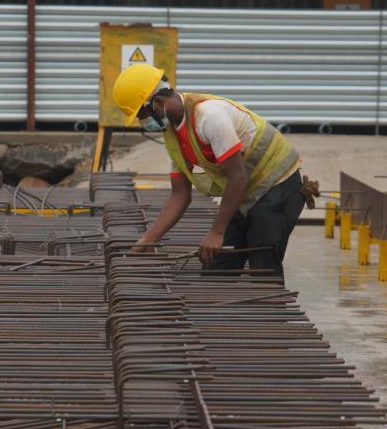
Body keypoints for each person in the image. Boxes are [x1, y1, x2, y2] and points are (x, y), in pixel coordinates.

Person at [114, 63, 318, 281]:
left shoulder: (209, 116)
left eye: (142, 115)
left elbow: (237, 176)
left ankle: (274, 308)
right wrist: (147, 240)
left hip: (279, 186)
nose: (142, 122)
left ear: (157, 102)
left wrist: (217, 232)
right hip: (245, 191)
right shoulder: (173, 135)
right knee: (216, 267)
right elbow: (180, 195)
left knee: (262, 266)